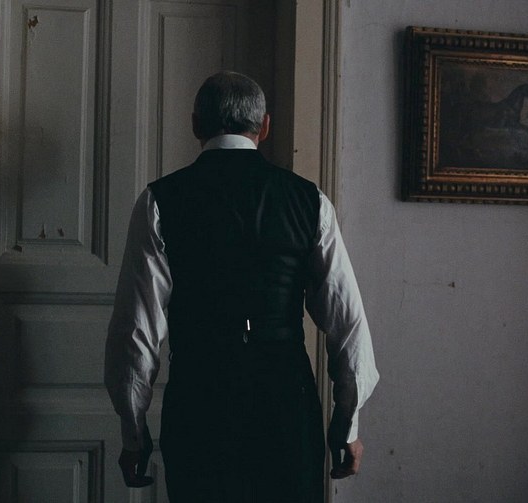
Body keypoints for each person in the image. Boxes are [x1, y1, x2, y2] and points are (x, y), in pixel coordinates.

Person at [104, 71, 378, 502]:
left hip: (200, 397)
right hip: (286, 400)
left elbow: (136, 332)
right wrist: (347, 425)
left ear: (195, 124)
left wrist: (134, 435)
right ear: (264, 126)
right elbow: (348, 323)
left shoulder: (159, 201)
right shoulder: (310, 201)